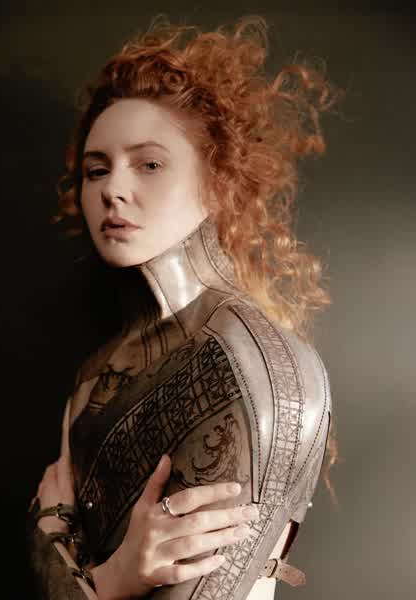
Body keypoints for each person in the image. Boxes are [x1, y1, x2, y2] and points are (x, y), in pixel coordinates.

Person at [26, 14, 341, 600]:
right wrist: (110, 573)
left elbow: (51, 544)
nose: (113, 189)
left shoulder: (248, 367)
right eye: (97, 170)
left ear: (216, 182)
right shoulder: (96, 372)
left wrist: (60, 546)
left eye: (149, 164)